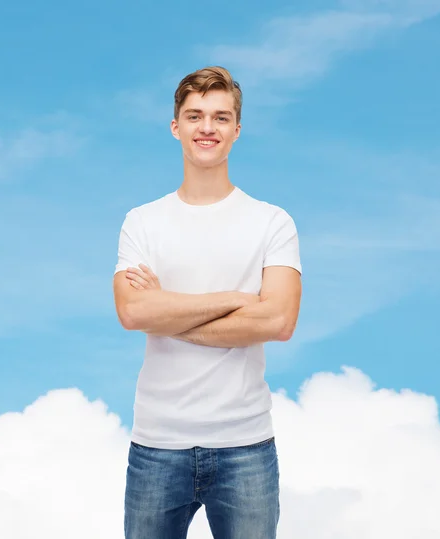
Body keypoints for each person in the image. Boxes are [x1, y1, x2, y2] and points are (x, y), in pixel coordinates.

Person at [113, 66, 302, 539]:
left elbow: (278, 319)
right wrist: (236, 301)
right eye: (195, 116)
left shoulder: (271, 222)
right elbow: (133, 312)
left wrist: (167, 311)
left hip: (246, 444)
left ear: (237, 129)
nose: (207, 128)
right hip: (157, 444)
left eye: (220, 117)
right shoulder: (142, 222)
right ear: (175, 126)